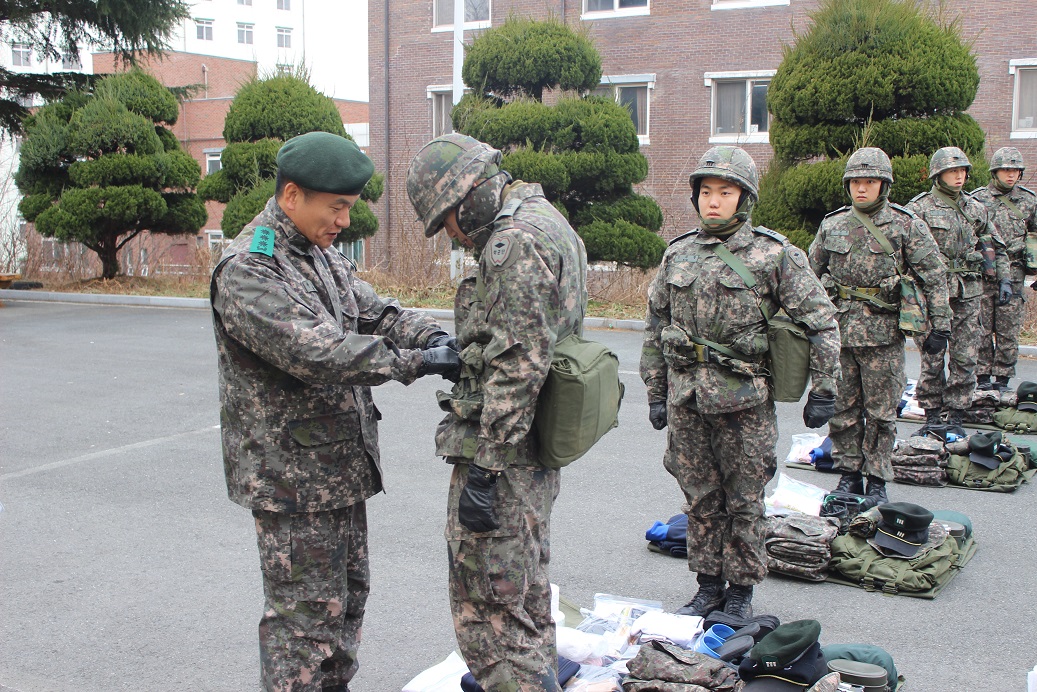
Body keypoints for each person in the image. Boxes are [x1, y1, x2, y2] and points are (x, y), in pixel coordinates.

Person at [210, 131, 461, 692]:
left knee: (346, 602)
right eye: (337, 207)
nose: (345, 222)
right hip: (292, 480)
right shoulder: (250, 269)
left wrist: (434, 337)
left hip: (337, 470)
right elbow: (318, 352)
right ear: (292, 195)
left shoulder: (317, 254)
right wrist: (417, 362)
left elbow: (374, 311)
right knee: (304, 623)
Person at [406, 133, 587, 692]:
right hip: (532, 442)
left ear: (469, 196)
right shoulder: (544, 217)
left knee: (488, 603)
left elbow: (518, 363)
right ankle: (534, 675)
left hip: (504, 450)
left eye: (448, 220)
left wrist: (485, 468)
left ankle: (519, 681)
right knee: (524, 586)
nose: (453, 235)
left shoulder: (514, 242)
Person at [639, 146, 841, 619]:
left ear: (744, 198)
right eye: (706, 192)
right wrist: (656, 392)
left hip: (744, 402)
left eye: (725, 193)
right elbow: (655, 326)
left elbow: (821, 320)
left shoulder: (774, 255)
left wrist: (824, 387)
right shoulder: (678, 254)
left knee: (745, 501)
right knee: (699, 499)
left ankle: (740, 593)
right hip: (688, 400)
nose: (713, 201)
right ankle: (707, 587)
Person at [808, 147, 951, 505]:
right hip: (839, 335)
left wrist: (941, 325)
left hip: (884, 336)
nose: (861, 188)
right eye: (855, 181)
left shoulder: (905, 225)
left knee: (882, 414)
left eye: (870, 182)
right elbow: (808, 277)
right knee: (843, 410)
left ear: (883, 185)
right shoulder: (832, 225)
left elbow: (934, 275)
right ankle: (848, 475)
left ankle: (877, 479)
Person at [906, 146, 1009, 439]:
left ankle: (956, 415)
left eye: (962, 170)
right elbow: (904, 251)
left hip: (969, 291)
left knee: (966, 356)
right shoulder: (919, 209)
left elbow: (994, 245)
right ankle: (932, 414)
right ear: (938, 174)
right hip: (932, 293)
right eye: (953, 171)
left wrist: (1003, 278)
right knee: (932, 356)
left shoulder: (976, 208)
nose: (959, 176)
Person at [969, 147, 1037, 392]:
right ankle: (983, 378)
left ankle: (1003, 379)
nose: (1011, 175)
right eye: (1006, 170)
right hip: (984, 272)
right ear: (995, 172)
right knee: (982, 328)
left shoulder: (1029, 201)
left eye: (1015, 170)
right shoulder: (977, 200)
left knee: (1009, 329)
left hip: (1015, 271)